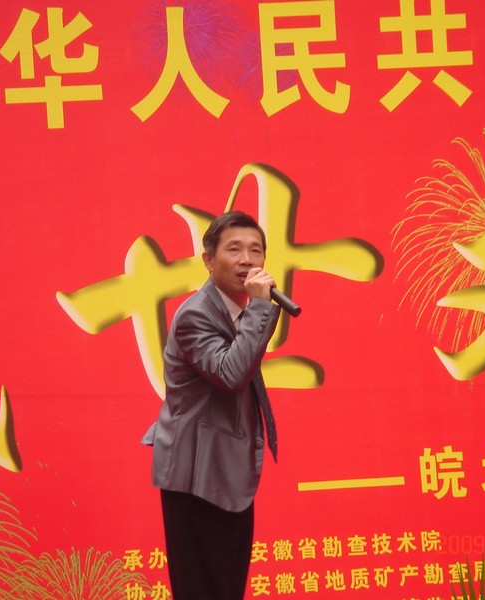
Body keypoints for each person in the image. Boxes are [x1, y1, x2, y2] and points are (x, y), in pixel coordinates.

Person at [141, 210, 281, 600]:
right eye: (234, 249)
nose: (247, 260)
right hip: (196, 473)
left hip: (225, 470)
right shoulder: (195, 315)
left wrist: (257, 311)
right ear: (208, 259)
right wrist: (259, 309)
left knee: (226, 588)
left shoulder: (238, 311)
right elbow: (231, 374)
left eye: (256, 250)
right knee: (203, 590)